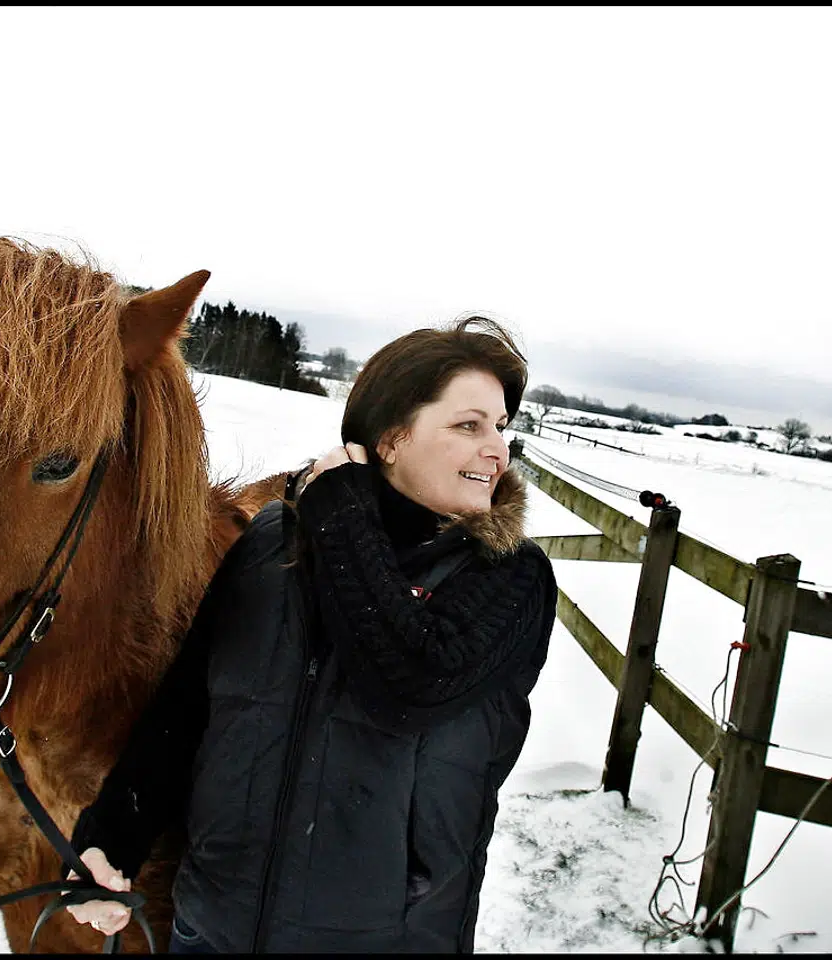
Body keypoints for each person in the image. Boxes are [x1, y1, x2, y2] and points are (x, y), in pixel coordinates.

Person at [66, 316, 557, 952]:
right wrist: (113, 832)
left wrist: (343, 514)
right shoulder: (274, 542)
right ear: (389, 437)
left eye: (501, 427)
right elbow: (189, 706)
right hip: (211, 929)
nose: (498, 448)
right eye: (469, 425)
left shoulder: (510, 576)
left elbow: (408, 687)